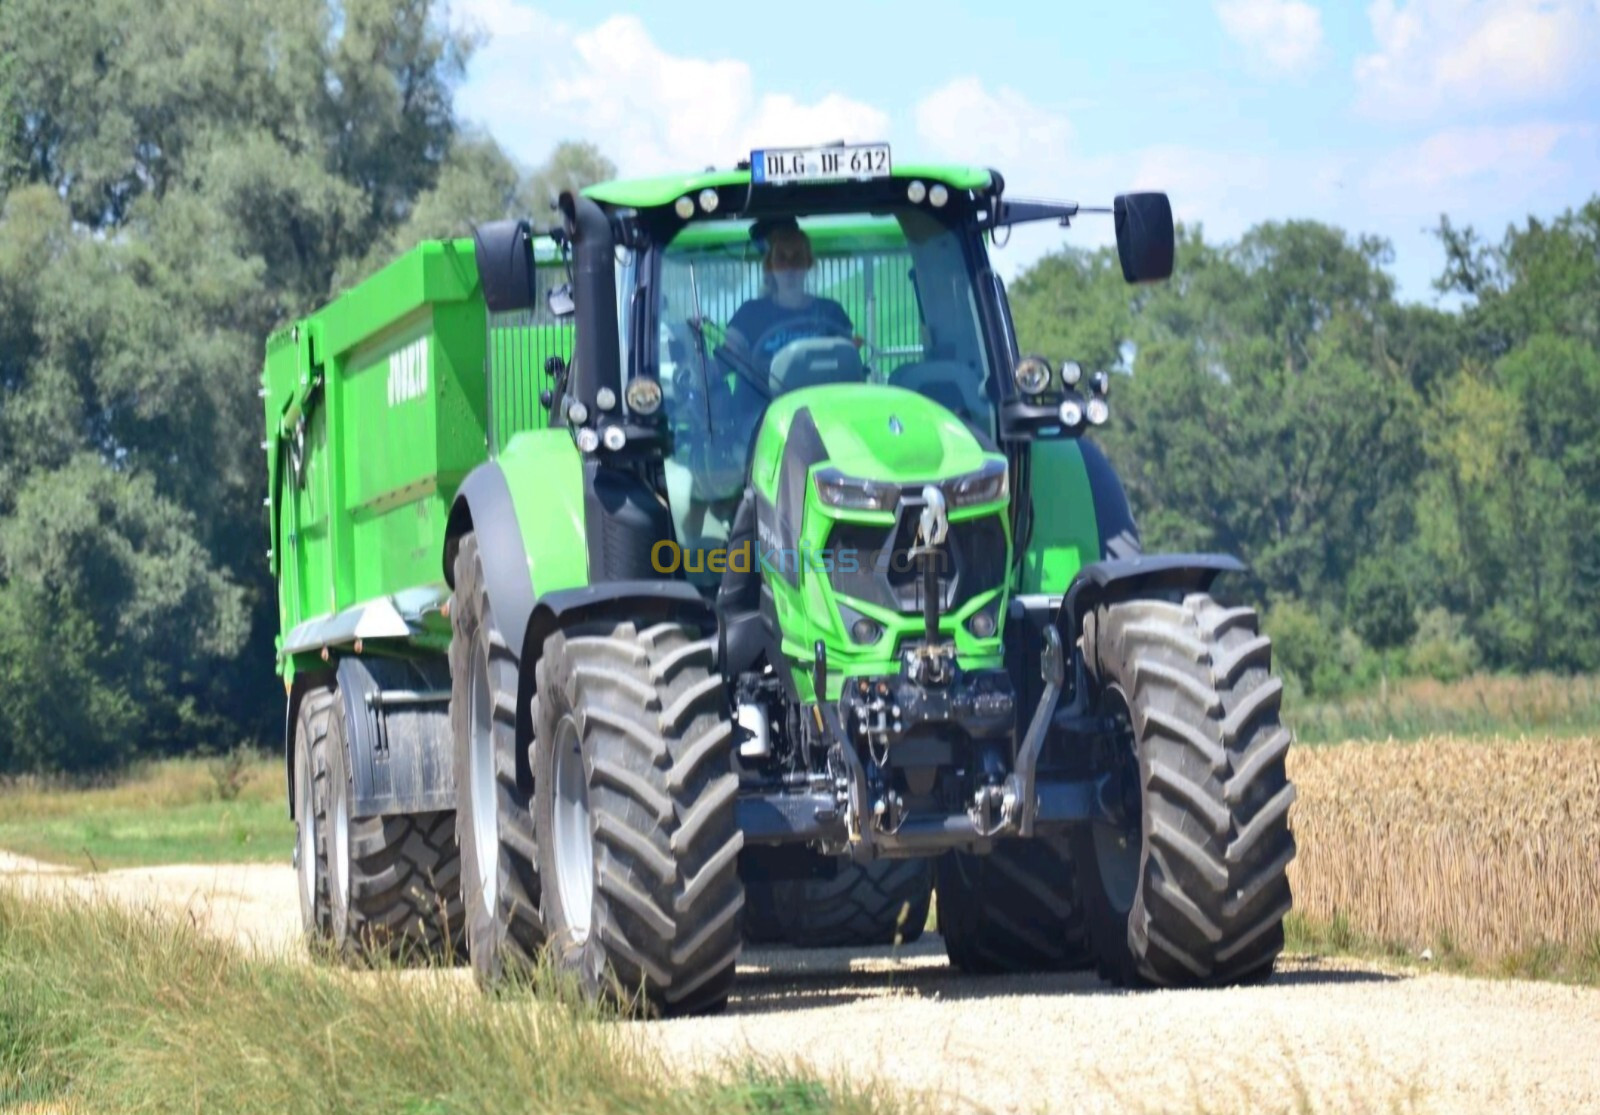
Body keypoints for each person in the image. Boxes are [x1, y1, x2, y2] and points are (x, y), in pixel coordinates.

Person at [724, 222, 854, 376]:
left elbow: (847, 366)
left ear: (808, 263)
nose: (789, 266)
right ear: (770, 265)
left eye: (797, 257)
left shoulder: (832, 312)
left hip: (817, 398)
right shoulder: (749, 314)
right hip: (763, 399)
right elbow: (726, 360)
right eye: (781, 258)